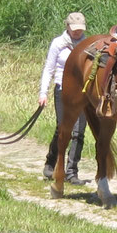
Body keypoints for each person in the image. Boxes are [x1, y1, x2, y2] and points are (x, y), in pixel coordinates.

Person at [38, 12, 88, 185]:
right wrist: (43, 93)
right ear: (67, 26)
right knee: (62, 128)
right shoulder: (58, 44)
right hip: (62, 90)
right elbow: (49, 69)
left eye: (80, 30)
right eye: (74, 30)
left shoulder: (87, 45)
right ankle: (51, 162)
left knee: (79, 132)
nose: (77, 33)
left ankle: (72, 171)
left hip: (83, 92)